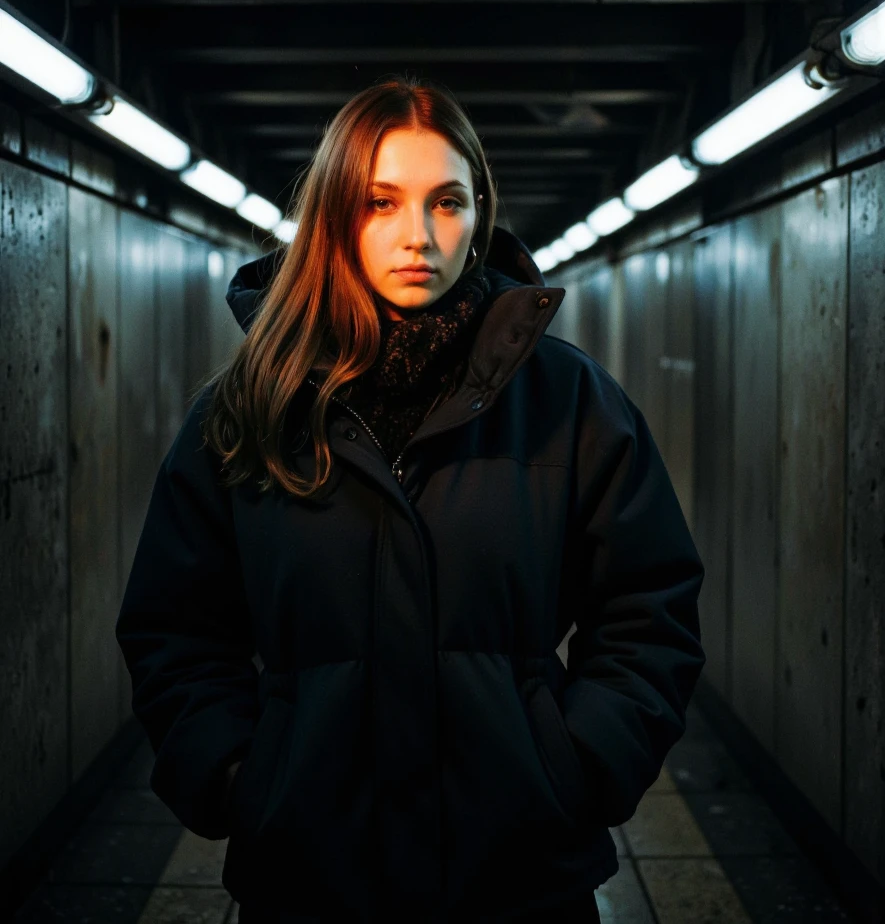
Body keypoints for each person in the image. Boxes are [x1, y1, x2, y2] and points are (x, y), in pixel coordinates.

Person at [115, 75, 706, 924]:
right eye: (380, 202)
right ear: (333, 217)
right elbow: (176, 629)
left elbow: (650, 609)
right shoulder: (247, 410)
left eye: (447, 202)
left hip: (520, 875)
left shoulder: (571, 403)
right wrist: (241, 776)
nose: (418, 236)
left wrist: (579, 764)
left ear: (480, 216)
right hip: (309, 875)